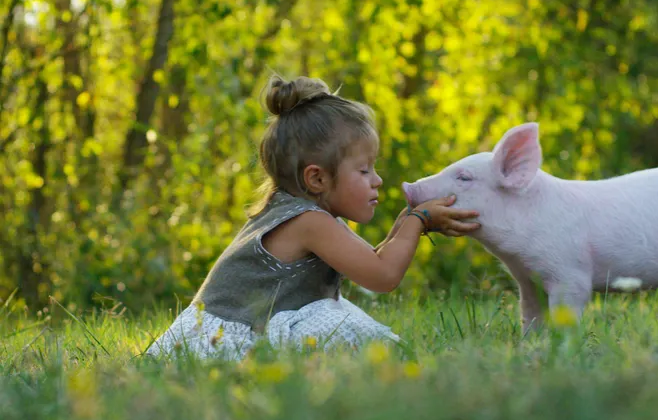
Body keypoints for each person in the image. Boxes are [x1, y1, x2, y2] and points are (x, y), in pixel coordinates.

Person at [144, 74, 480, 360]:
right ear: (317, 179)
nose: (376, 180)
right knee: (344, 329)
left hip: (233, 329)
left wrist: (411, 220)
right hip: (222, 344)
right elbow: (382, 275)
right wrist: (417, 220)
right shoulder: (308, 222)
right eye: (363, 170)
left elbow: (371, 259)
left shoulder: (301, 213)